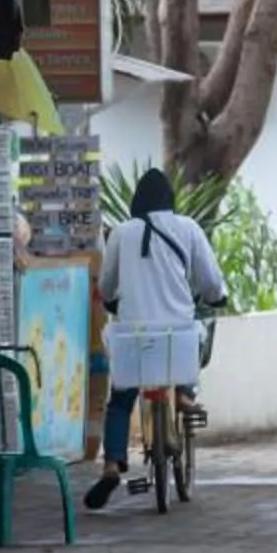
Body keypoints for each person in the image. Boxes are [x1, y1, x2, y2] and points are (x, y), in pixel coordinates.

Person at [85, 168, 225, 508]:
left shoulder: (121, 232)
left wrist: (114, 299)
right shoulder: (188, 228)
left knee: (120, 401)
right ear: (170, 201)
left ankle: (111, 463)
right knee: (190, 345)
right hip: (177, 336)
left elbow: (106, 287)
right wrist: (217, 296)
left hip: (134, 338)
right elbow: (210, 280)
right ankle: (185, 395)